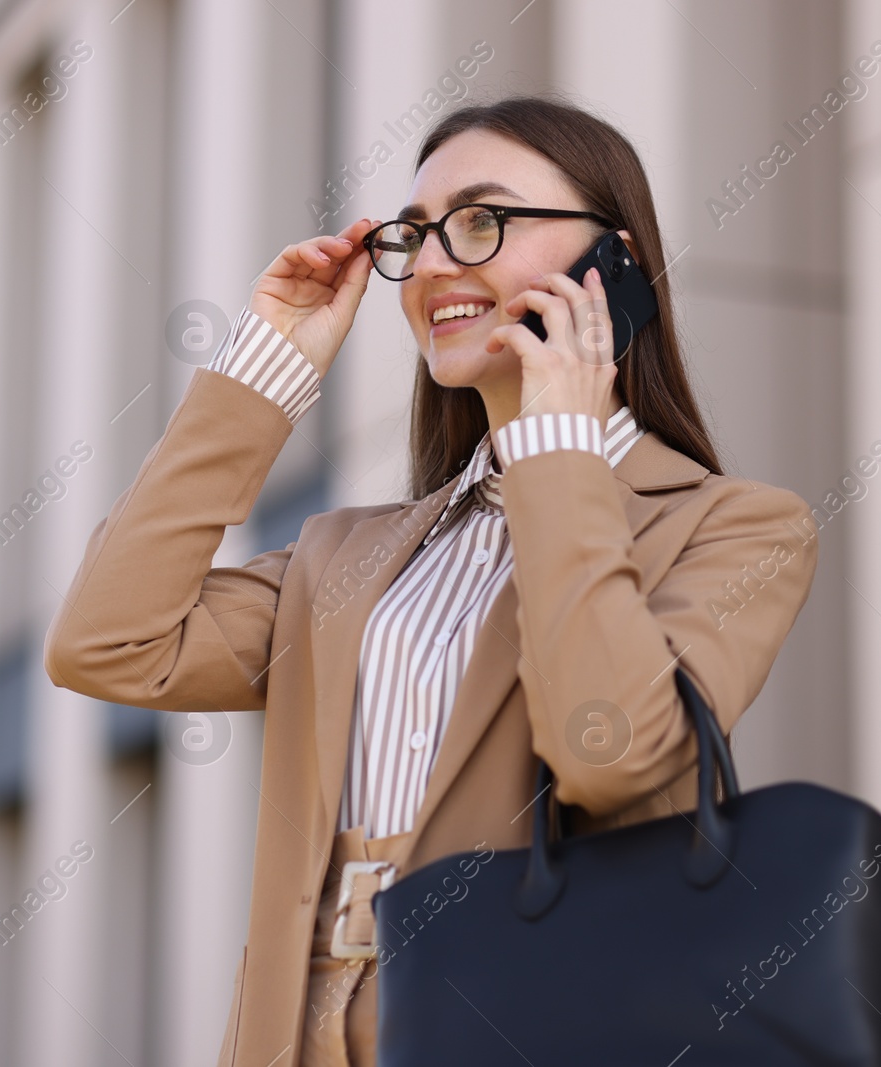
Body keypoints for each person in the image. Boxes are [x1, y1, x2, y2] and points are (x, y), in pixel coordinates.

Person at [44, 95, 820, 1067]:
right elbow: (107, 641)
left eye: (482, 221)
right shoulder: (347, 555)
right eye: (420, 233)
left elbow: (607, 752)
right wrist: (264, 371)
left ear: (611, 262)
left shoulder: (734, 525)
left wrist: (556, 452)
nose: (440, 263)